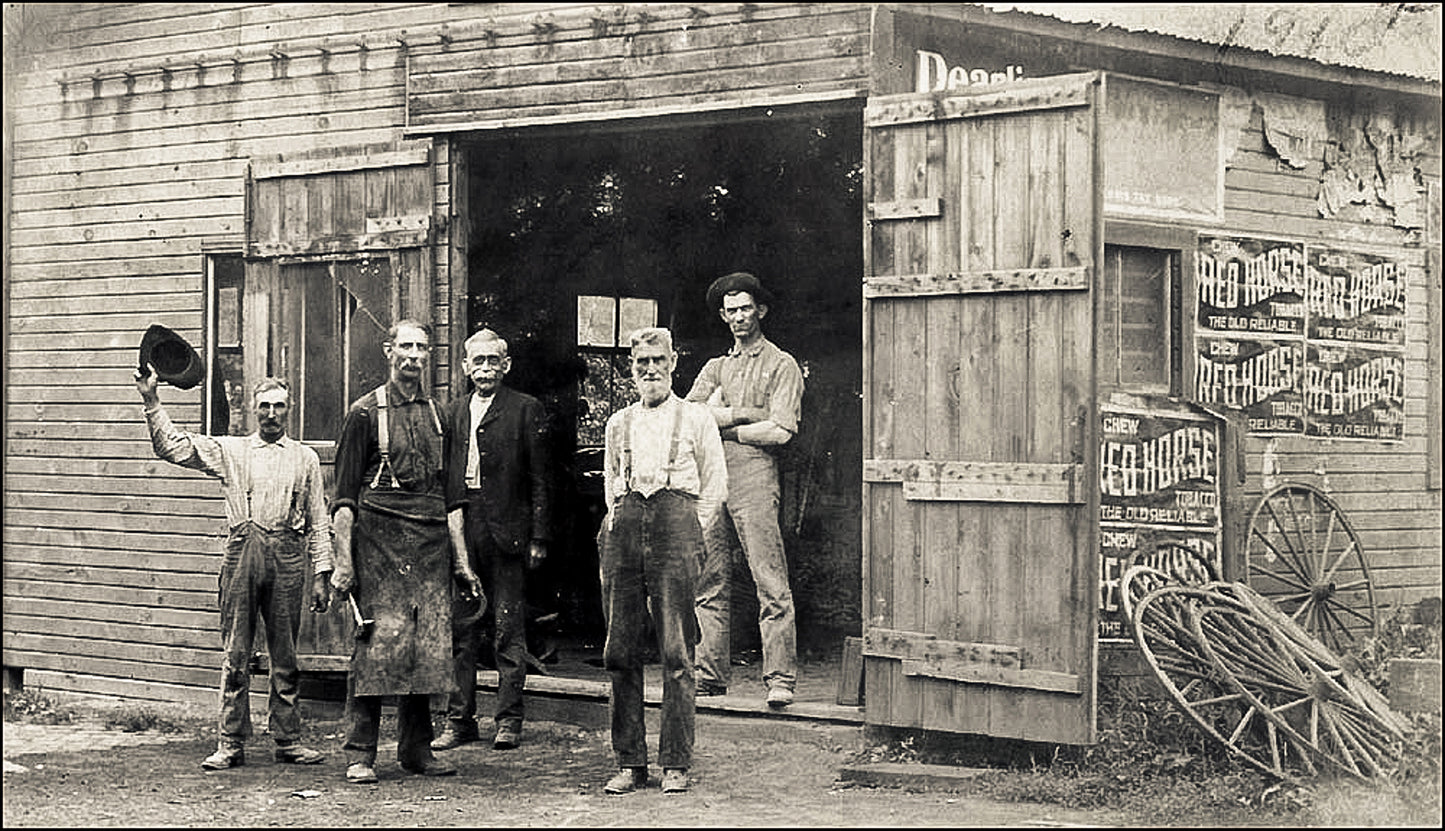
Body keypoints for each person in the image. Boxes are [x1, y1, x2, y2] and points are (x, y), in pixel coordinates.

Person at [135, 367, 332, 770]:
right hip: (242, 552)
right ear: (252, 411)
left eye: (279, 406)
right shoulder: (231, 451)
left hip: (288, 556)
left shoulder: (305, 458)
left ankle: (288, 740)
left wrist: (322, 574)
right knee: (236, 652)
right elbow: (172, 447)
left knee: (286, 655)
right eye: (264, 406)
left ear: (289, 410)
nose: (271, 414)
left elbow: (319, 520)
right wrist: (152, 401)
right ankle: (230, 741)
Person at [329, 319, 482, 784]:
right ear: (388, 351)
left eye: (422, 348)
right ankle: (361, 753)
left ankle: (417, 751)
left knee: (427, 648)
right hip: (378, 544)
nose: (414, 356)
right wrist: (342, 562)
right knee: (376, 646)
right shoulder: (363, 413)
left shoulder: (442, 416)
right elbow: (343, 499)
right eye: (406, 347)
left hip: (432, 544)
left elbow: (454, 497)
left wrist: (462, 562)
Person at [598, 327, 726, 795]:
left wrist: (694, 534)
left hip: (677, 527)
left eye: (658, 361)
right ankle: (630, 761)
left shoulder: (696, 419)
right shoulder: (618, 423)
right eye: (641, 363)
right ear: (632, 368)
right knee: (620, 649)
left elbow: (714, 486)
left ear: (674, 362)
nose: (650, 370)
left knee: (676, 650)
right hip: (627, 529)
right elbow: (612, 481)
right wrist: (619, 520)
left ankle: (675, 761)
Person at [686, 271, 804, 708]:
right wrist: (746, 412)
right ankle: (710, 675)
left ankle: (779, 679)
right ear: (723, 315)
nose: (738, 316)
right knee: (709, 577)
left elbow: (781, 431)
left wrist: (726, 422)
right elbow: (691, 418)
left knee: (768, 577)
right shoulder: (716, 367)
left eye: (745, 308)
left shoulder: (782, 364)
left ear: (761, 310)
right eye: (730, 310)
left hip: (755, 475)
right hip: (711, 477)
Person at [433, 328, 551, 752]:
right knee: (461, 631)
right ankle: (459, 719)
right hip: (464, 526)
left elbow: (540, 479)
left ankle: (509, 719)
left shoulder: (525, 409)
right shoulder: (453, 413)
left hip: (508, 533)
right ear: (465, 367)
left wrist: (538, 535)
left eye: (492, 361)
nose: (485, 369)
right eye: (477, 362)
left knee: (507, 629)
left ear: (506, 365)